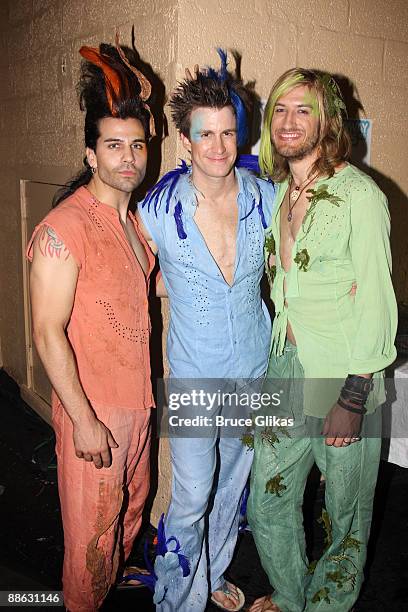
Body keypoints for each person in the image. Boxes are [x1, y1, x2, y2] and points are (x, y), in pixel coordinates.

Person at [247, 68, 397, 612]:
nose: (288, 122)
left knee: (344, 519)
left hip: (343, 378)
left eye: (302, 110)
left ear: (328, 120)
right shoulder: (283, 193)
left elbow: (378, 301)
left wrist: (353, 397)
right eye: (279, 111)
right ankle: (290, 596)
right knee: (267, 501)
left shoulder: (360, 196)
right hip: (285, 366)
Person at [136, 51, 276, 611]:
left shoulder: (265, 198)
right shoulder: (156, 209)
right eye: (205, 134)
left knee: (232, 488)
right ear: (185, 142)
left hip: (253, 371)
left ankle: (210, 575)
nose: (218, 146)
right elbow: (130, 279)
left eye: (227, 132)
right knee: (192, 493)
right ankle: (176, 598)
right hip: (193, 372)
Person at [27, 38, 160, 611]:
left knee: (131, 514)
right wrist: (82, 421)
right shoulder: (65, 227)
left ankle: (109, 585)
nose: (127, 157)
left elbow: (144, 292)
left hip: (139, 406)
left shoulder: (136, 225)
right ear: (90, 154)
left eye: (136, 145)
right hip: (94, 413)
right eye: (113, 146)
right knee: (89, 540)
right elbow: (46, 331)